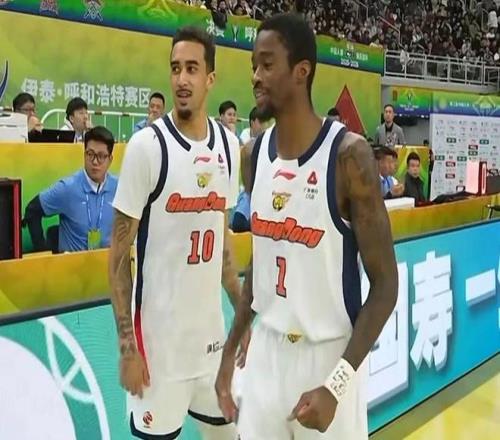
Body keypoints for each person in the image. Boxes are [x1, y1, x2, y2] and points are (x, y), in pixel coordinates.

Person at [216, 13, 398, 440]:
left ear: (301, 71)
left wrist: (337, 384)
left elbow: (386, 285)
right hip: (267, 350)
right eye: (253, 66)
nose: (256, 77)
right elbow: (261, 266)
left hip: (328, 354)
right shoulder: (252, 157)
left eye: (267, 65)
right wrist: (229, 352)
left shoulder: (349, 156)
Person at [109, 26, 244, 440]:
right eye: (175, 69)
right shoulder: (146, 148)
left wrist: (243, 316)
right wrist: (127, 349)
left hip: (211, 346)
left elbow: (223, 248)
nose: (182, 79)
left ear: (210, 78)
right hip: (159, 354)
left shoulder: (228, 146)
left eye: (192, 69)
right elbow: (118, 258)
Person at [23, 126, 117, 252]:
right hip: (72, 262)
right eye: (90, 154)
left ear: (110, 159)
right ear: (84, 154)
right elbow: (32, 210)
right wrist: (43, 253)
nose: (95, 162)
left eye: (101, 156)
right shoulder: (67, 188)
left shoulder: (118, 188)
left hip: (106, 262)